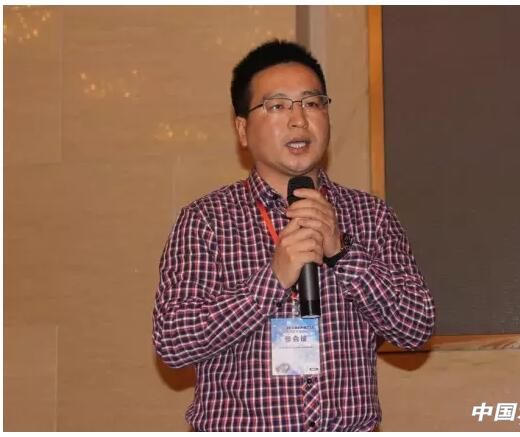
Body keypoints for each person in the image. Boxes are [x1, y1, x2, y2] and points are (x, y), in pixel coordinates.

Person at [153, 39, 435, 432]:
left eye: (312, 103)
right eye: (277, 106)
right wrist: (271, 281)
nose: (298, 119)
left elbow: (415, 328)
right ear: (243, 130)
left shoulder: (371, 215)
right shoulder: (206, 220)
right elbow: (173, 342)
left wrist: (343, 252)